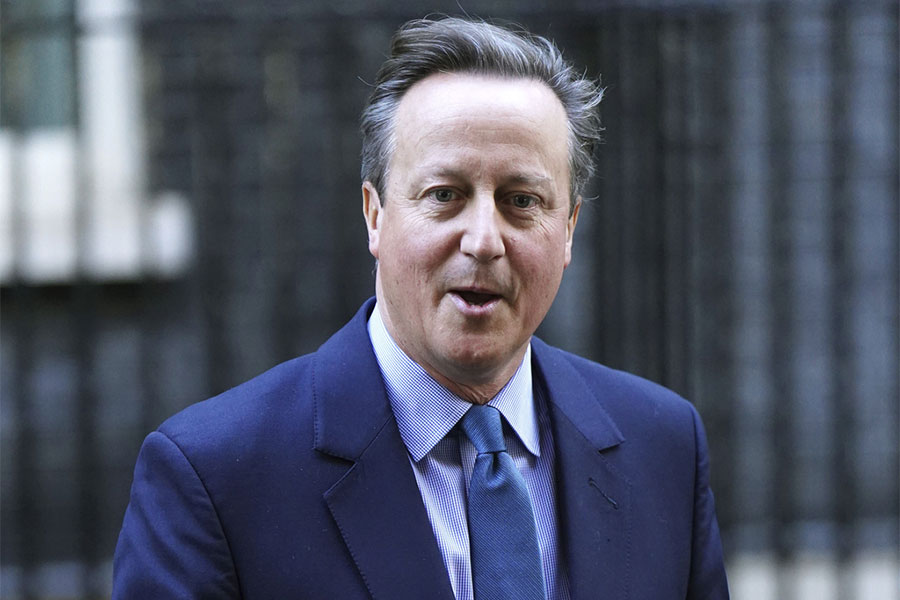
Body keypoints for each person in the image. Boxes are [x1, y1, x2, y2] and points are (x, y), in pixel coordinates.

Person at [113, 16, 729, 600]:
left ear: (568, 229)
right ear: (374, 214)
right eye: (444, 195)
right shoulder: (214, 478)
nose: (484, 239)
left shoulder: (664, 446)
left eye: (521, 199)